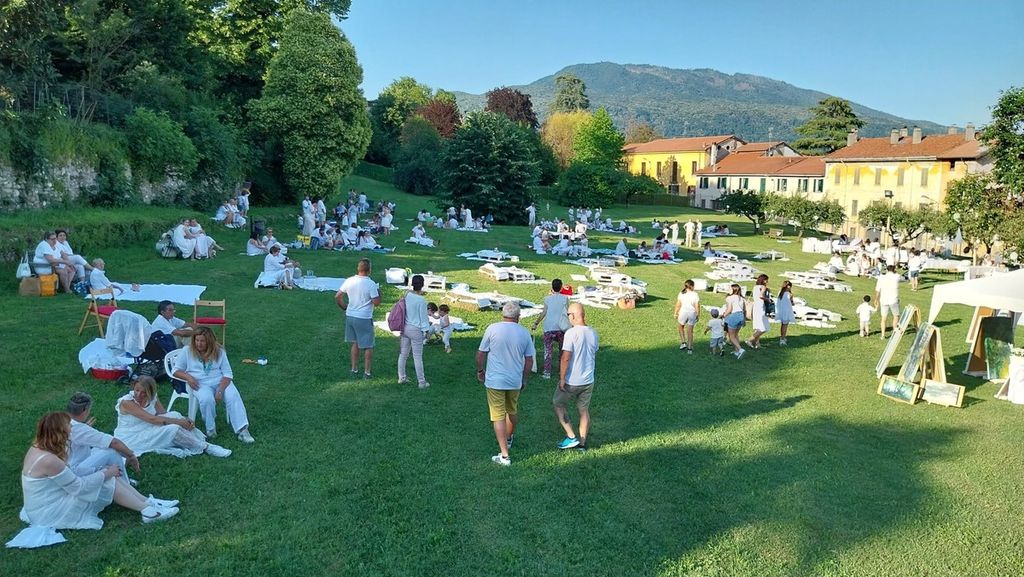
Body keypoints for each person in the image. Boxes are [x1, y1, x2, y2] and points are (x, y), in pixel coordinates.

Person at [12, 412, 177, 548]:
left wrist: (103, 471)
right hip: (49, 511)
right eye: (69, 426)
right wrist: (107, 473)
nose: (71, 429)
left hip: (49, 499)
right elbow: (79, 488)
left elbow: (72, 475)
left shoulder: (39, 446)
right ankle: (148, 512)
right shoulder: (48, 460)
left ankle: (148, 502)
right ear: (60, 433)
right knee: (107, 480)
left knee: (105, 474)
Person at [476, 301, 535, 466]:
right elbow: (529, 360)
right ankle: (508, 438)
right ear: (518, 316)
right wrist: (524, 379)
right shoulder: (524, 333)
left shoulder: (492, 329)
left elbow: (480, 354)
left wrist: (480, 371)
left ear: (503, 314)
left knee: (498, 416)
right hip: (514, 380)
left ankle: (504, 455)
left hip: (495, 380)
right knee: (512, 410)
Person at [171, 327, 255, 443]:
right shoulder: (187, 351)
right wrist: (189, 378)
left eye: (202, 341)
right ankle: (210, 429)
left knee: (233, 396)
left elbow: (228, 374)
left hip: (220, 381)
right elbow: (175, 370)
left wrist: (220, 390)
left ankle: (243, 430)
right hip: (198, 382)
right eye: (197, 340)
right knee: (206, 399)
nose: (199, 344)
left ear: (209, 341)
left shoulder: (219, 351)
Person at [114, 377, 231, 458]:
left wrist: (182, 419)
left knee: (174, 414)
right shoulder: (127, 402)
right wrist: (179, 422)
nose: (139, 394)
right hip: (131, 436)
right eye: (137, 390)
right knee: (173, 428)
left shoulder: (152, 397)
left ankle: (196, 440)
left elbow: (163, 414)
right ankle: (206, 447)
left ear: (150, 392)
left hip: (147, 425)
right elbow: (152, 419)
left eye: (144, 392)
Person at [553, 303, 599, 451]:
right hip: (588, 380)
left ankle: (571, 436)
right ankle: (582, 444)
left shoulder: (571, 333)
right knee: (583, 410)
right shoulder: (593, 333)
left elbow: (565, 357)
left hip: (572, 380)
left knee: (558, 404)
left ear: (573, 316)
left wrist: (562, 378)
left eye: (568, 315)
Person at [67, 393, 140, 483]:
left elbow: (75, 436)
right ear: (85, 410)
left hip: (65, 466)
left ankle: (113, 478)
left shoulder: (62, 421)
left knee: (100, 449)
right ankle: (125, 483)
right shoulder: (79, 429)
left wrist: (85, 428)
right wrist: (131, 455)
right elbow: (113, 442)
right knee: (111, 451)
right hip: (75, 472)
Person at [336, 258, 381, 378]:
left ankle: (354, 369)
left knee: (355, 343)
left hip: (350, 315)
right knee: (368, 345)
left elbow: (338, 296)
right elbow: (376, 302)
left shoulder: (349, 280)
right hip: (364, 317)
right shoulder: (371, 284)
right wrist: (379, 292)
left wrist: (344, 307)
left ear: (358, 268)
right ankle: (367, 372)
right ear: (369, 270)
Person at [531, 279, 571, 379]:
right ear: (561, 288)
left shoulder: (547, 299)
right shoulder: (565, 298)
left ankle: (547, 372)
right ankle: (561, 371)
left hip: (549, 328)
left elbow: (544, 312)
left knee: (548, 351)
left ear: (552, 287)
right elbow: (567, 312)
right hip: (561, 328)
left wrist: (536, 323)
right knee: (562, 350)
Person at [397, 275, 431, 389]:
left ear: (412, 284)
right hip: (416, 330)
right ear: (422, 285)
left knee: (403, 354)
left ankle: (401, 377)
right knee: (417, 357)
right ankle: (421, 382)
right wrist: (426, 331)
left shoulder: (407, 295)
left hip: (405, 327)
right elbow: (424, 318)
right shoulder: (422, 300)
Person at [874, 265, 901, 339]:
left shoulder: (881, 277)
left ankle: (882, 335)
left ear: (887, 270)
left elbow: (878, 290)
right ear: (894, 270)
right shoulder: (896, 276)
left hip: (883, 299)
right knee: (896, 316)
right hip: (893, 299)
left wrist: (876, 299)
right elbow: (901, 277)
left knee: (883, 318)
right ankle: (894, 332)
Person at [674, 279, 700, 353]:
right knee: (690, 331)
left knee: (680, 326)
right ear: (691, 286)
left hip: (683, 312)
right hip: (692, 313)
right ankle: (689, 348)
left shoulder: (681, 293)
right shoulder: (695, 294)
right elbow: (697, 306)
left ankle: (683, 342)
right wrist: (698, 314)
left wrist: (675, 313)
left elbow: (678, 304)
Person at [721, 284, 747, 359]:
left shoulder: (729, 298)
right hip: (741, 316)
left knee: (731, 336)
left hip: (734, 316)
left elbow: (729, 309)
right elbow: (744, 310)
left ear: (733, 290)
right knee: (736, 335)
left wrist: (723, 315)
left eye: (730, 288)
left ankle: (740, 349)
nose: (728, 289)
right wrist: (744, 320)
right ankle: (736, 351)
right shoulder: (742, 299)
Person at [746, 274, 771, 349]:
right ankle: (750, 340)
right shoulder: (763, 287)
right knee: (763, 328)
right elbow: (761, 296)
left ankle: (757, 343)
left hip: (755, 307)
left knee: (758, 326)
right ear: (764, 280)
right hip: (760, 307)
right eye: (766, 280)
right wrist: (767, 299)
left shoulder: (755, 287)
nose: (767, 282)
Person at [775, 280, 796, 346]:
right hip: (787, 311)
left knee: (783, 325)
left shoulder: (780, 292)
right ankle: (782, 339)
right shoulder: (789, 294)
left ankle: (782, 337)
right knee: (785, 325)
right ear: (788, 286)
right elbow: (792, 303)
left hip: (781, 310)